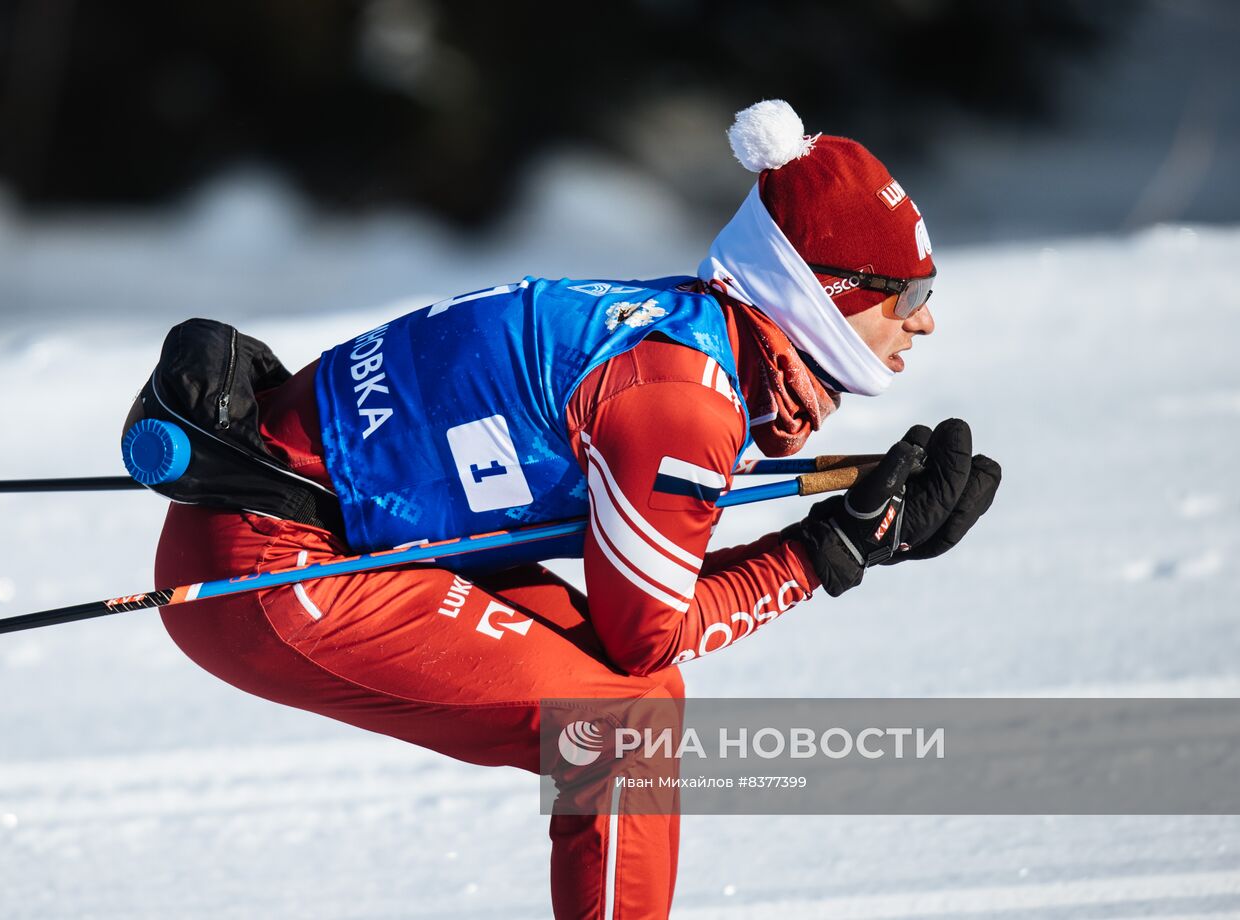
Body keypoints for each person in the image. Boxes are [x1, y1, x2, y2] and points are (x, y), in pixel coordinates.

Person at [153, 99, 1001, 919]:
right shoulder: (681, 398)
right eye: (908, 295)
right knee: (623, 733)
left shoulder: (679, 324)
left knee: (643, 708)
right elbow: (649, 635)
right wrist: (827, 553)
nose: (924, 324)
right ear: (831, 293)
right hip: (266, 572)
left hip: (299, 525)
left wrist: (839, 535)